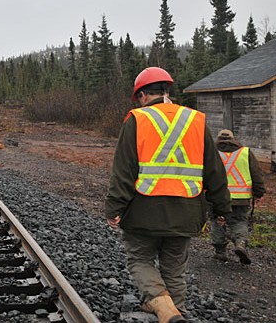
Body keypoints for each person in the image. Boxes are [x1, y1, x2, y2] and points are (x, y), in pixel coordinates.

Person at [105, 67, 231, 323]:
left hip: (143, 212)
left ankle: (164, 309)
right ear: (166, 91)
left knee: (140, 260)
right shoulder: (196, 120)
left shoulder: (137, 120)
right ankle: (176, 314)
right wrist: (221, 209)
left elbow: (124, 172)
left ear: (141, 94)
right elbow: (214, 170)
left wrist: (114, 208)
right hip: (186, 213)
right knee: (174, 270)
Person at [210, 129, 266, 264]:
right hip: (241, 198)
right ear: (233, 139)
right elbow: (256, 174)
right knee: (239, 221)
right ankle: (240, 243)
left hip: (218, 197)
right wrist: (258, 193)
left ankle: (220, 252)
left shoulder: (212, 153)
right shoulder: (245, 152)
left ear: (218, 139)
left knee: (217, 220)